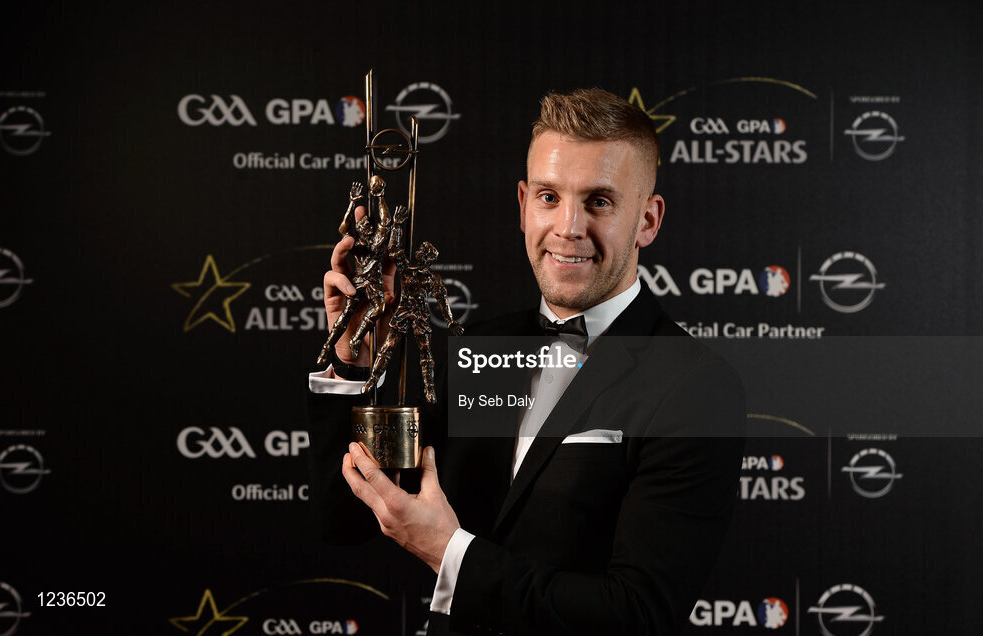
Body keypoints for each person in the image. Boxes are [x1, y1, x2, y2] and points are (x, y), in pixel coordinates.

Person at [307, 88, 745, 635]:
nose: (567, 227)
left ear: (648, 221)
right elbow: (343, 518)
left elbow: (637, 614)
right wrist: (352, 362)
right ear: (522, 204)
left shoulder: (693, 385)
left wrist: (449, 552)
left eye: (599, 202)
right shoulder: (479, 350)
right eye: (548, 197)